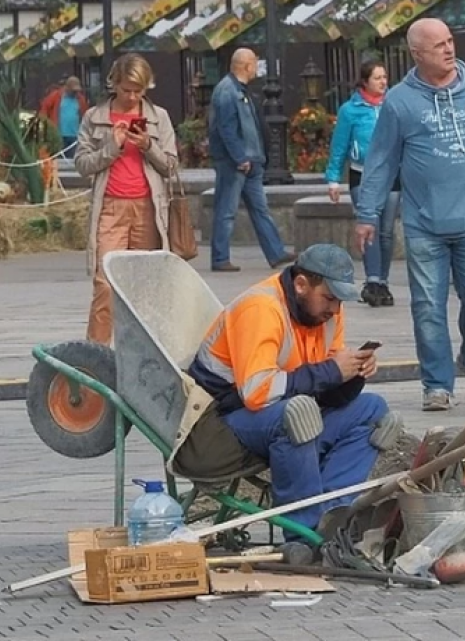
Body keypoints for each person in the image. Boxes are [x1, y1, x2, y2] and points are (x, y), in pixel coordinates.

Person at [353, 18, 465, 411]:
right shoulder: (399, 100)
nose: (448, 49)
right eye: (438, 45)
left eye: (450, 41)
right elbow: (380, 162)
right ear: (417, 54)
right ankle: (437, 384)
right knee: (427, 306)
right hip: (423, 222)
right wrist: (366, 214)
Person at [188, 243, 403, 537]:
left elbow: (325, 390)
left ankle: (332, 517)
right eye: (329, 298)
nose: (335, 309)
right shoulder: (261, 308)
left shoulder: (325, 313)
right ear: (301, 284)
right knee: (298, 412)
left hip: (276, 414)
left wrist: (352, 374)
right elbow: (256, 393)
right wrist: (331, 371)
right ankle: (302, 534)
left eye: (340, 300)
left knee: (375, 411)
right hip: (219, 426)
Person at [75, 54, 177, 345]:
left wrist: (148, 146)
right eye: (126, 89)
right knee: (105, 286)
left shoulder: (160, 118)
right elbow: (82, 165)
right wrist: (112, 146)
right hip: (110, 207)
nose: (132, 97)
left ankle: (143, 356)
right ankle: (95, 358)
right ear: (114, 85)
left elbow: (171, 167)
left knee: (143, 289)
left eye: (138, 90)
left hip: (148, 208)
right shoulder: (95, 117)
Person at [208, 48, 296, 272]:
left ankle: (276, 252)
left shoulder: (241, 91)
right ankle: (220, 258)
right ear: (246, 66)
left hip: (251, 160)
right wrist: (240, 156)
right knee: (226, 210)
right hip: (236, 162)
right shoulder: (227, 91)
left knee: (261, 209)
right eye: (255, 63)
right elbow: (226, 128)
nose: (257, 68)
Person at [325, 59, 401, 307]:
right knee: (371, 228)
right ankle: (372, 280)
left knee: (387, 231)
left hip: (392, 173)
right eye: (377, 78)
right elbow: (339, 146)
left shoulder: (394, 105)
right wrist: (333, 179)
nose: (383, 82)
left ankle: (384, 282)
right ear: (365, 81)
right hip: (363, 174)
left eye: (385, 77)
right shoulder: (350, 110)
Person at [40, 76, 88, 158]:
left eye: (77, 91)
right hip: (59, 135)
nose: (75, 93)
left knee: (73, 161)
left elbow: (85, 115)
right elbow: (44, 109)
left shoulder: (80, 99)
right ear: (67, 87)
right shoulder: (56, 96)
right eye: (73, 91)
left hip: (75, 136)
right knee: (58, 160)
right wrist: (47, 127)